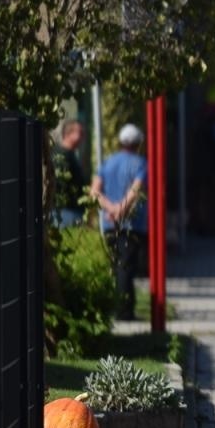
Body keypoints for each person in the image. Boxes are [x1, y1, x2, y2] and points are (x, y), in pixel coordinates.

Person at [93, 124, 148, 319]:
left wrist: (110, 209)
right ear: (138, 143)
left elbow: (95, 191)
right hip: (132, 225)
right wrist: (120, 210)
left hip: (109, 223)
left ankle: (115, 307)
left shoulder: (108, 163)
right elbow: (135, 190)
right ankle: (124, 311)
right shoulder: (141, 164)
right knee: (126, 268)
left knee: (115, 267)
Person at [51, 119, 88, 227]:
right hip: (66, 211)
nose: (83, 137)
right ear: (68, 134)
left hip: (72, 210)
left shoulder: (70, 154)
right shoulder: (61, 155)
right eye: (80, 133)